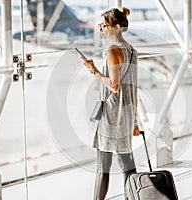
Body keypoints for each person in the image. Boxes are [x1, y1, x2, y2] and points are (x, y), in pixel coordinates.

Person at [80, 7, 139, 200]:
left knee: (102, 167)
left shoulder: (113, 49)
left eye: (103, 26)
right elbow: (133, 88)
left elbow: (114, 86)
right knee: (127, 165)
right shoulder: (132, 50)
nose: (101, 30)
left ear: (114, 27)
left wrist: (94, 70)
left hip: (113, 114)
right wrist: (135, 121)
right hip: (128, 113)